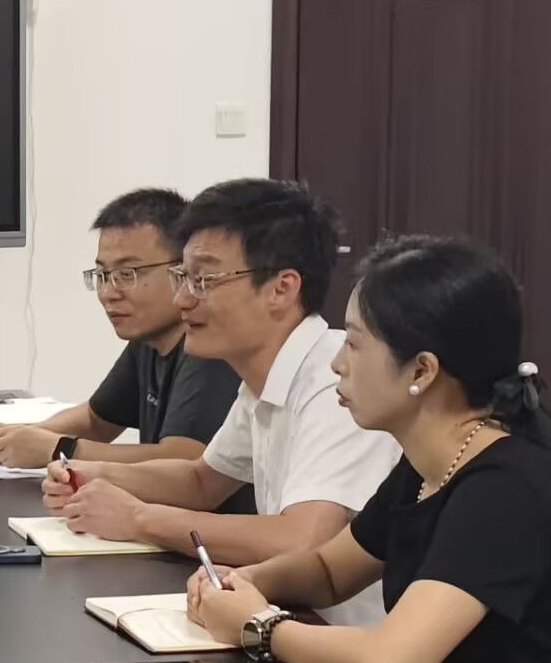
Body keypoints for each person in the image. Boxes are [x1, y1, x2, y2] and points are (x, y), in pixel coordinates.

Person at [188, 238, 551, 663]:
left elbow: (390, 662)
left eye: (355, 345)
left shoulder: (505, 489)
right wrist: (248, 581)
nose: (337, 363)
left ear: (422, 370)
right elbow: (330, 571)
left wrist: (259, 626)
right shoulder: (429, 462)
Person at [41, 179, 401, 619]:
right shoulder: (262, 378)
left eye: (203, 280)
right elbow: (202, 480)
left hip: (340, 638)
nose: (182, 299)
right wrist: (95, 474)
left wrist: (138, 518)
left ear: (281, 288)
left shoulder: (335, 382)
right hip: (283, 618)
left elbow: (305, 540)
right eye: (183, 278)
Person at [0, 188, 243, 473]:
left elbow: (184, 460)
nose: (107, 293)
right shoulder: (149, 339)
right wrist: (18, 437)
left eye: (127, 274)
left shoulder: (210, 345)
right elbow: (96, 420)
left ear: (183, 270)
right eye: (103, 275)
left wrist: (60, 449)